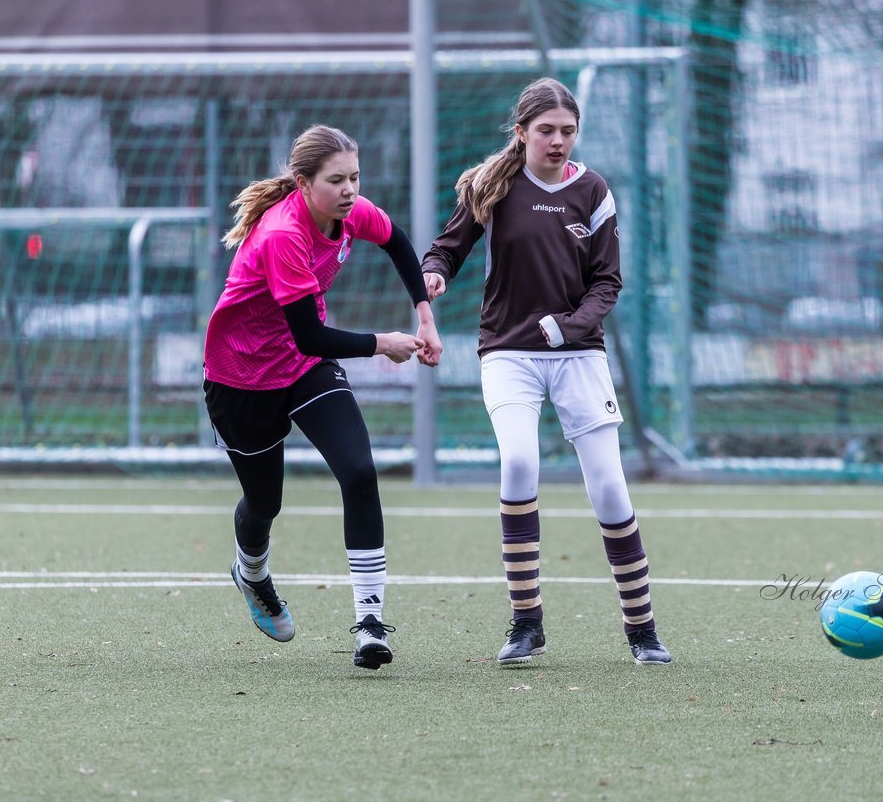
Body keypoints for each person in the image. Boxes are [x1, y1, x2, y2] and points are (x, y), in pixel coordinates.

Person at [420, 77, 671, 666]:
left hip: (579, 355)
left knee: (609, 486)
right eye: (545, 131)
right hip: (507, 352)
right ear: (522, 133)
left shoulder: (594, 191)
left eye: (567, 131)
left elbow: (608, 281)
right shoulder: (495, 186)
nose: (557, 141)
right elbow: (447, 248)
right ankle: (526, 623)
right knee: (520, 461)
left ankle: (643, 632)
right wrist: (433, 273)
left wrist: (568, 327)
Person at [203, 124, 442, 670]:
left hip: (303, 369)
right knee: (265, 504)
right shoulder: (283, 234)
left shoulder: (346, 212)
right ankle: (252, 573)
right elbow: (310, 332)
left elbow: (398, 240)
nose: (351, 190)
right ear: (303, 183)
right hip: (240, 378)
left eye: (355, 177)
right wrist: (385, 344)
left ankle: (370, 622)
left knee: (358, 471)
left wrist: (424, 315)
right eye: (337, 180)